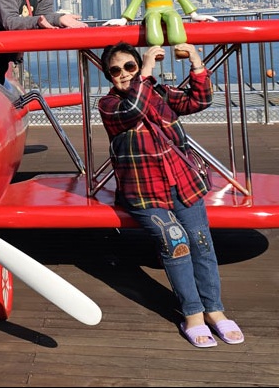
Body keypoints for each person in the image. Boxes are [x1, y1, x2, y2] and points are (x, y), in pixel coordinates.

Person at [97, 40, 245, 348]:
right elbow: (133, 109)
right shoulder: (110, 106)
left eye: (130, 66)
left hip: (183, 181)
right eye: (116, 70)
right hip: (144, 192)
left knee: (201, 241)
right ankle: (192, 313)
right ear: (109, 77)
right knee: (174, 240)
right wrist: (146, 72)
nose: (124, 74)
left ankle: (214, 310)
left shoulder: (159, 92)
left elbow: (199, 100)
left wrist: (195, 61)